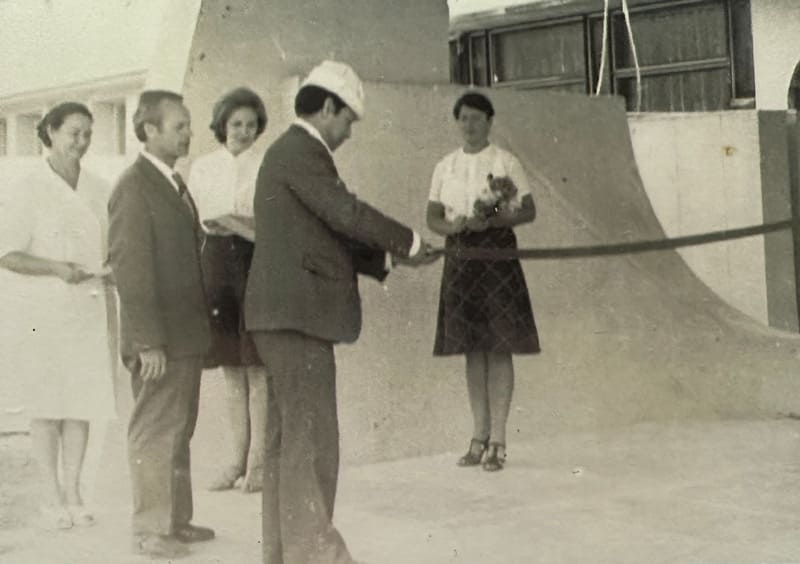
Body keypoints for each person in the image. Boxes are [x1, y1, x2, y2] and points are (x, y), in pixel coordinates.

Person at [244, 60, 438, 564]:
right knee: (311, 447)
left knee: (289, 446)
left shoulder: (293, 154)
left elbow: (326, 234)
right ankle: (317, 556)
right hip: (297, 318)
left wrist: (394, 257)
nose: (349, 131)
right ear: (327, 107)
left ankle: (286, 555)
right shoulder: (301, 151)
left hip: (283, 318)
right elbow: (345, 213)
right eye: (348, 119)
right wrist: (410, 239)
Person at [108, 90, 214, 559]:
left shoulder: (173, 183)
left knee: (178, 429)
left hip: (185, 336)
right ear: (149, 131)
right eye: (179, 126)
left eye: (189, 124)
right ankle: (151, 532)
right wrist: (148, 342)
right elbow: (129, 270)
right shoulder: (133, 187)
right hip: (159, 341)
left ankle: (175, 520)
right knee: (155, 432)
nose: (188, 133)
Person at [0, 102, 115, 529]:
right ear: (49, 132)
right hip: (42, 311)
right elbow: (7, 254)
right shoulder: (27, 186)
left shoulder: (99, 187)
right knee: (48, 404)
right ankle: (51, 497)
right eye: (72, 133)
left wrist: (110, 269)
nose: (81, 142)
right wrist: (56, 268)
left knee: (81, 403)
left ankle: (75, 493)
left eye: (87, 133)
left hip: (87, 306)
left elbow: (109, 247)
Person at [426, 91, 540, 472]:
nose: (469, 125)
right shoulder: (445, 166)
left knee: (499, 344)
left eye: (476, 118)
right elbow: (433, 217)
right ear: (456, 122)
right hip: (460, 256)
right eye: (463, 118)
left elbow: (527, 210)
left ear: (490, 122)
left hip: (497, 255)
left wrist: (492, 220)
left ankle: (499, 441)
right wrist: (453, 226)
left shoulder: (506, 161)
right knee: (472, 347)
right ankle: (478, 436)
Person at [189, 87, 268, 493]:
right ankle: (234, 461)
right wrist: (226, 222)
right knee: (231, 370)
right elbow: (200, 219)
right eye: (236, 124)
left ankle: (259, 463)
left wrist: (237, 221)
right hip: (218, 268)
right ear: (222, 125)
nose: (243, 131)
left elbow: (268, 224)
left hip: (255, 265)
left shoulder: (267, 163)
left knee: (258, 367)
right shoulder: (203, 167)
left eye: (251, 125)